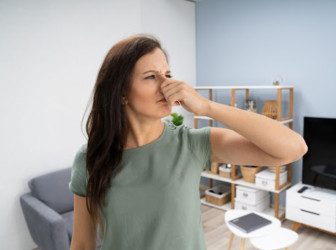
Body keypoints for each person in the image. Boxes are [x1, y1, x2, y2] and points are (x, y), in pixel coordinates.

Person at [69, 34, 308, 250]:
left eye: (168, 75)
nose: (166, 85)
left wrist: (207, 107)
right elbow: (81, 244)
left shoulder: (191, 143)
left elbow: (295, 148)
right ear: (121, 93)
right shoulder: (89, 158)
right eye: (151, 77)